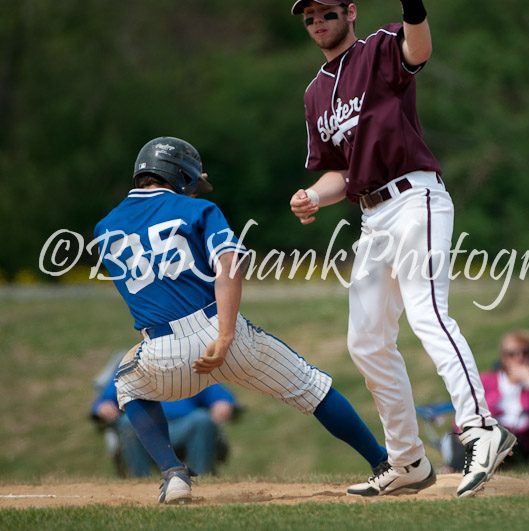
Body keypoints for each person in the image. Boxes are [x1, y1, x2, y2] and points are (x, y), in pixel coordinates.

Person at [288, 0, 516, 498]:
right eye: (309, 18)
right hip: (372, 216)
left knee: (427, 312)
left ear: (350, 11)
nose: (318, 22)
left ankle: (480, 426)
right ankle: (408, 460)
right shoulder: (314, 94)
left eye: (326, 12)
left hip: (415, 197)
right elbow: (339, 172)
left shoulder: (379, 50)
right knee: (366, 340)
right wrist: (314, 198)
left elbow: (421, 48)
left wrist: (413, 6)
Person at [94, 136, 388, 504]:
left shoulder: (105, 228)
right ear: (179, 175)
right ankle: (383, 463)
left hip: (162, 348)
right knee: (312, 388)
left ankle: (173, 473)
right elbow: (228, 265)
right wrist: (225, 335)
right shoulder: (197, 210)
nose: (194, 190)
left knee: (128, 385)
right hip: (219, 328)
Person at [441, 330, 529, 471]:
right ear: (503, 357)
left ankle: (454, 471)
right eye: (511, 354)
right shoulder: (488, 380)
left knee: (488, 440)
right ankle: (458, 472)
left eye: (524, 352)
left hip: (515, 441)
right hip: (481, 431)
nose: (519, 358)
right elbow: (468, 408)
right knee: (470, 434)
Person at [92, 373, 237, 477]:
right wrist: (104, 406)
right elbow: (103, 401)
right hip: (147, 429)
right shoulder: (133, 367)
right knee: (127, 422)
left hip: (184, 427)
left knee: (202, 419)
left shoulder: (190, 367)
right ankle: (140, 482)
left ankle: (203, 478)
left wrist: (222, 403)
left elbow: (221, 396)